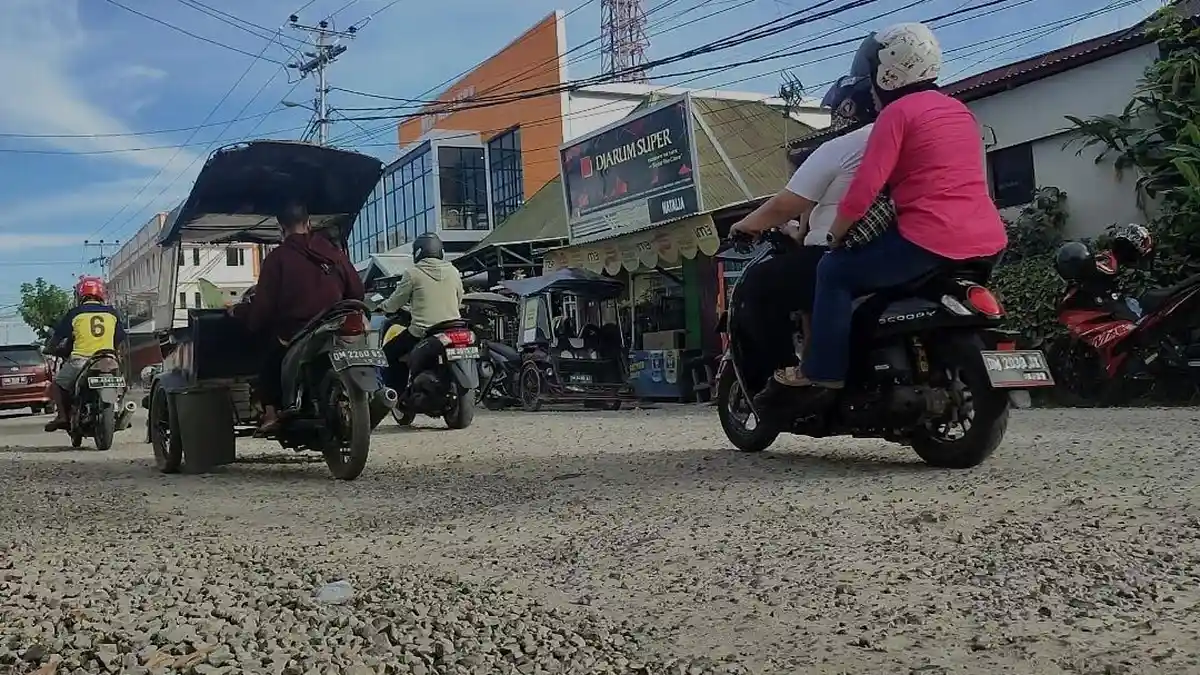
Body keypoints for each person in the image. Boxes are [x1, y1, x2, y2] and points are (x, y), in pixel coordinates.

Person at [772, 21, 1007, 396]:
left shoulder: (896, 115)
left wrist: (837, 234)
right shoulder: (959, 111)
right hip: (989, 241)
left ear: (889, 72)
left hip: (928, 240)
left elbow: (866, 187)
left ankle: (822, 372)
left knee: (833, 271)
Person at [727, 73, 880, 392]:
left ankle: (778, 382)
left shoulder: (841, 145)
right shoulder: (899, 139)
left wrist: (747, 225)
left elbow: (786, 203)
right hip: (893, 248)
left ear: (845, 109)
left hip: (840, 250)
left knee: (758, 287)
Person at [231, 202, 365, 432]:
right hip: (336, 322)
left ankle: (271, 412)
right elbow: (357, 291)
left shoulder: (276, 259)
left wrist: (241, 313)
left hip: (296, 331)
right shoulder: (333, 253)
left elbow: (263, 309)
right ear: (309, 223)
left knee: (267, 355)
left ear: (281, 227)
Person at [377, 232, 465, 388]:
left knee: (388, 353)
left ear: (418, 252)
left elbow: (396, 301)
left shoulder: (413, 273)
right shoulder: (454, 271)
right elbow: (459, 298)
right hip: (452, 328)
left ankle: (397, 393)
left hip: (422, 331)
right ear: (441, 252)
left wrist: (382, 307)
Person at [43, 277, 127, 432]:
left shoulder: (75, 313)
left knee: (57, 384)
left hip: (81, 361)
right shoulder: (112, 313)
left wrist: (49, 348)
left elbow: (58, 337)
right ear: (101, 294)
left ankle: (62, 416)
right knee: (121, 383)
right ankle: (119, 409)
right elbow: (120, 339)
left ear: (81, 295)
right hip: (108, 359)